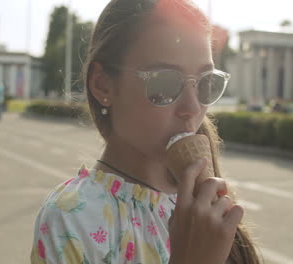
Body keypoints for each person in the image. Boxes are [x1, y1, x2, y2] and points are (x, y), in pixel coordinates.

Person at [31, 0, 261, 263]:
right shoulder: (73, 217)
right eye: (164, 83)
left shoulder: (205, 206)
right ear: (102, 85)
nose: (192, 106)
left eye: (206, 82)